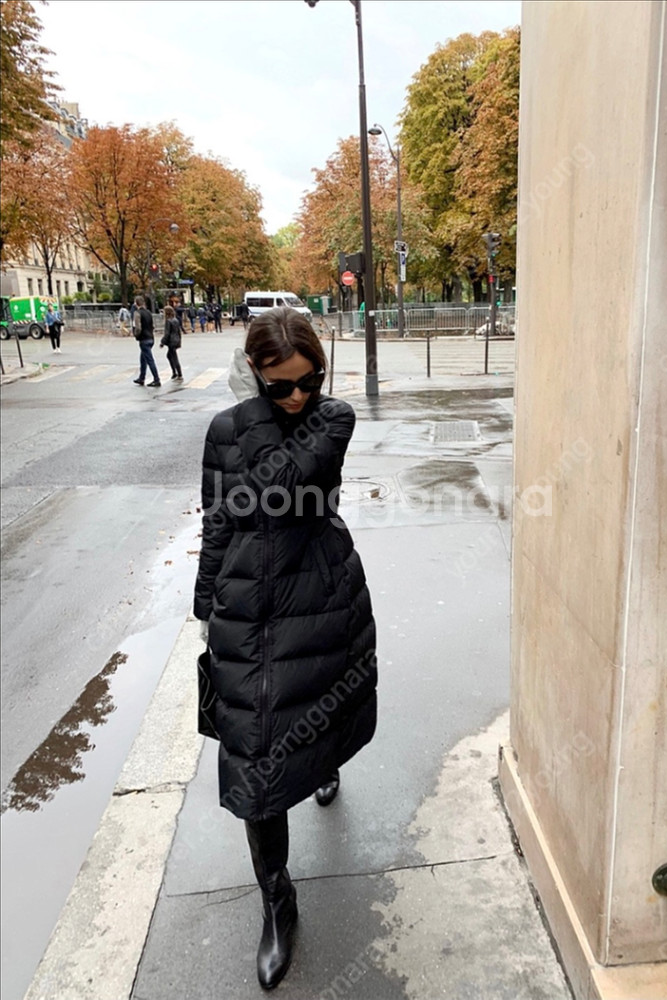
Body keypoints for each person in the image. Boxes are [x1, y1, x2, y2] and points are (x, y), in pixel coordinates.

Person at [194, 307, 377, 990]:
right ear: (255, 374)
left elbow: (280, 493)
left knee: (319, 714)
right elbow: (219, 517)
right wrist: (205, 607)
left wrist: (262, 426)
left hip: (317, 594)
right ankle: (278, 902)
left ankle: (325, 764)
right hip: (245, 606)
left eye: (309, 380)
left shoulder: (333, 419)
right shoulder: (224, 432)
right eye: (280, 388)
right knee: (256, 767)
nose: (298, 397)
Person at [131, 295, 161, 387]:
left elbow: (138, 327)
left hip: (144, 339)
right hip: (151, 338)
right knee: (143, 359)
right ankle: (141, 377)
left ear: (136, 303)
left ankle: (156, 379)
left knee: (149, 360)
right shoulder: (148, 312)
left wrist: (136, 335)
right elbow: (152, 325)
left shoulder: (137, 313)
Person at [159, 305, 183, 380]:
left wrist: (162, 342)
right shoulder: (175, 320)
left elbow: (167, 333)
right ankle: (175, 372)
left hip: (171, 341)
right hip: (176, 340)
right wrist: (179, 341)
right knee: (170, 356)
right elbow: (179, 332)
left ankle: (177, 372)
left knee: (173, 357)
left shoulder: (168, 321)